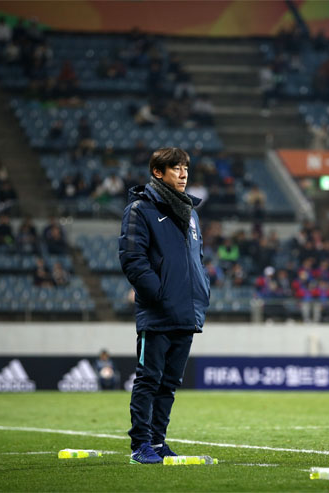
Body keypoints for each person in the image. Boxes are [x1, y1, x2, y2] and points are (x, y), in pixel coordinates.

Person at [118, 147, 210, 464]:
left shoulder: (192, 213)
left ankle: (157, 443)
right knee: (149, 379)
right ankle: (140, 445)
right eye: (175, 167)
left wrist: (202, 290)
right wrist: (159, 294)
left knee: (169, 384)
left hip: (186, 311)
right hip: (157, 313)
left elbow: (197, 260)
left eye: (185, 167)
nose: (183, 173)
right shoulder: (140, 210)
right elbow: (132, 259)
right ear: (158, 172)